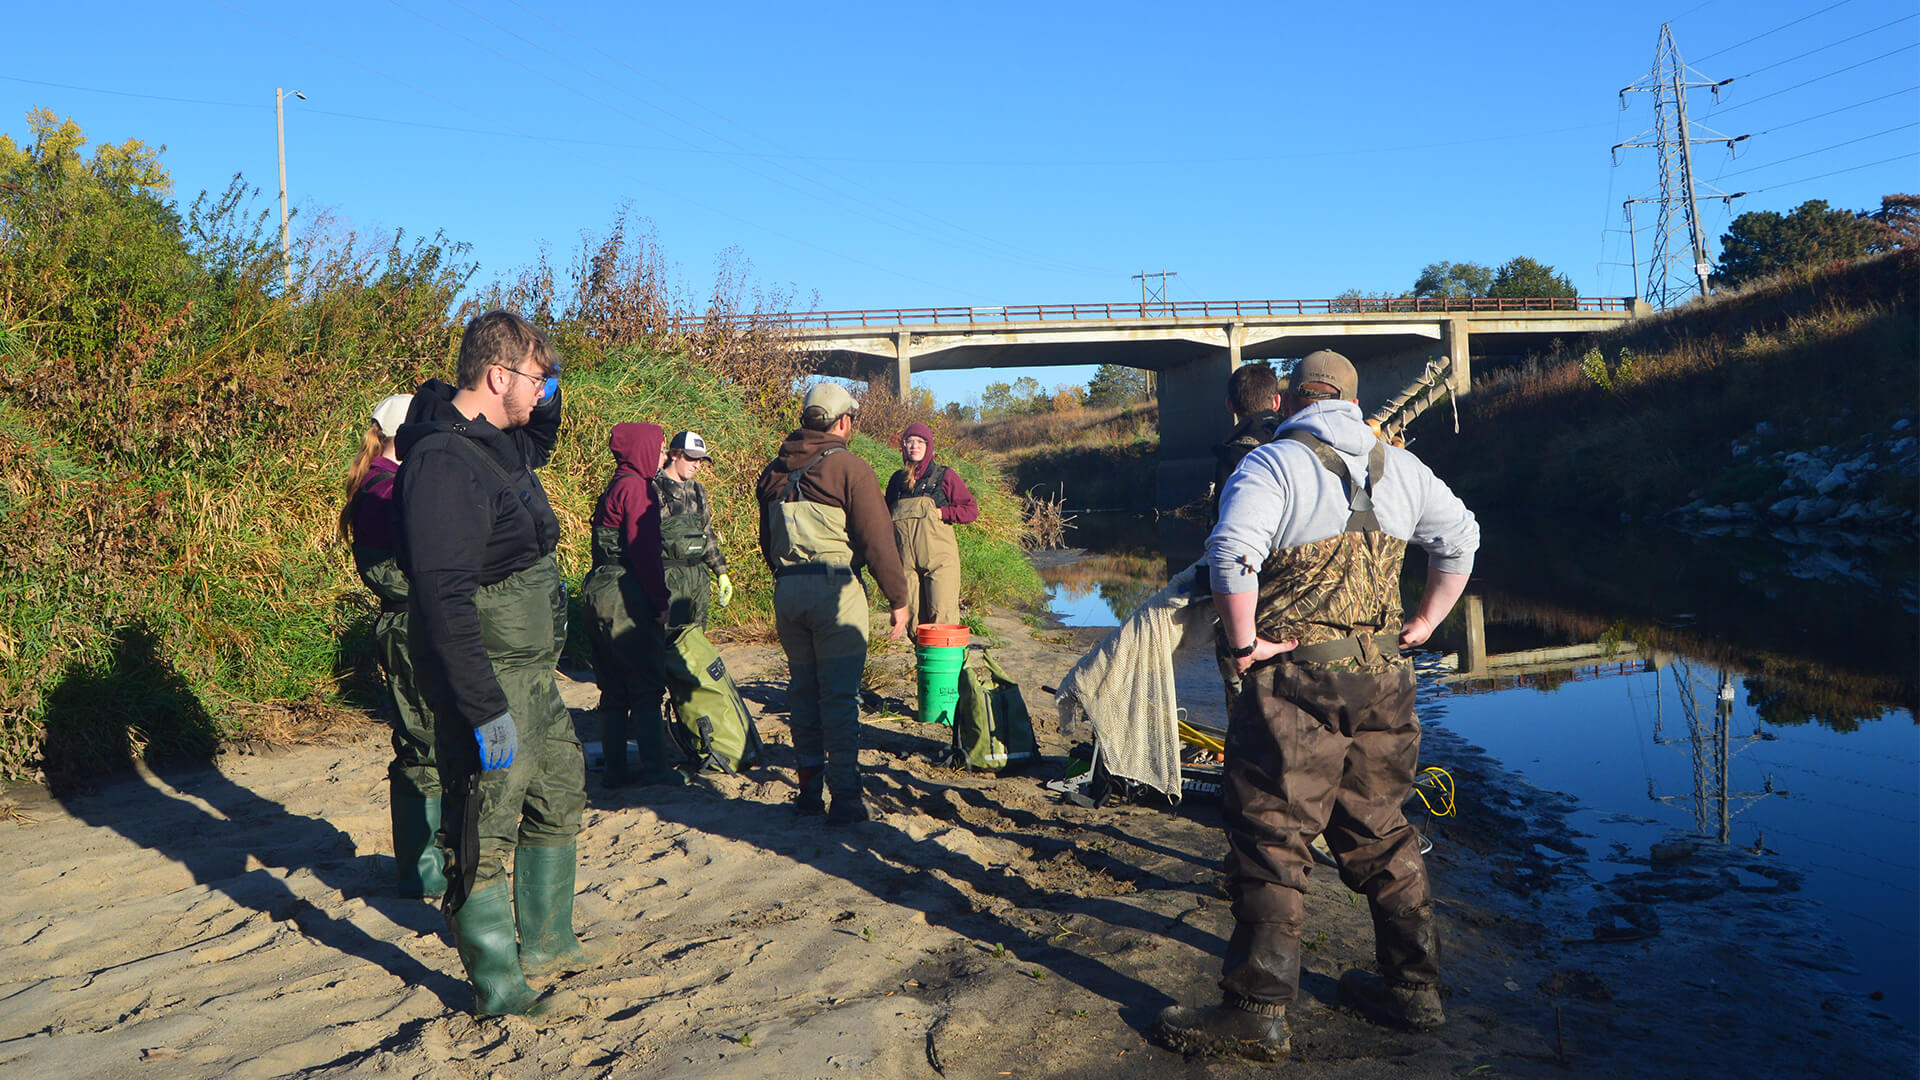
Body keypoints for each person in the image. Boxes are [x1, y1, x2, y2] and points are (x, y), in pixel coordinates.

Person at [1154, 350, 1479, 1061]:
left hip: (1297, 686)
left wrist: (1242, 645)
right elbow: (1462, 538)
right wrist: (1423, 625)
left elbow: (1233, 551)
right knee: (1381, 825)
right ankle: (1413, 990)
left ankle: (1257, 1012)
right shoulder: (1401, 467)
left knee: (1273, 834)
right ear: (1351, 401)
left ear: (1295, 398)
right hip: (1386, 680)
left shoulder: (1272, 465)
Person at [394, 310, 587, 1018]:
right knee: (484, 825)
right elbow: (443, 600)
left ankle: (548, 941)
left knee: (558, 790)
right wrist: (482, 709)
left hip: (534, 673)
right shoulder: (445, 463)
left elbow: (541, 430)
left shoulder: (499, 441)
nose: (544, 393)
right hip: (492, 674)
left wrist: (549, 377)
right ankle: (498, 983)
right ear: (496, 375)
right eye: (536, 378)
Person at [755, 383, 911, 824]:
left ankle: (808, 795)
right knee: (840, 700)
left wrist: (790, 578)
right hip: (835, 593)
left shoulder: (773, 472)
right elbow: (877, 541)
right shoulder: (850, 468)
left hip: (788, 592)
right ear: (843, 421)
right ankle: (845, 798)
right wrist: (898, 598)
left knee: (802, 694)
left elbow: (768, 543)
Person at [338, 392, 445, 901]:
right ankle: (424, 869)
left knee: (425, 740)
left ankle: (430, 863)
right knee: (424, 744)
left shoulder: (379, 481)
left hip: (408, 623)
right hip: (410, 627)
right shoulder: (388, 489)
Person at [581, 421, 687, 789]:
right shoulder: (638, 489)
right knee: (645, 685)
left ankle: (614, 771)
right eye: (658, 448)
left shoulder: (615, 485)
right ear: (642, 449)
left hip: (599, 590)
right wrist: (660, 602)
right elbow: (644, 555)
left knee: (612, 687)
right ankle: (656, 770)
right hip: (627, 594)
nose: (662, 456)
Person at [884, 421, 978, 630]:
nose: (914, 446)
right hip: (906, 567)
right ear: (903, 446)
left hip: (940, 564)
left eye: (920, 442)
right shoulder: (896, 481)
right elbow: (884, 516)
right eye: (909, 441)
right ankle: (925, 662)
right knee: (914, 624)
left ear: (929, 446)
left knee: (942, 620)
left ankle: (948, 663)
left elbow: (971, 510)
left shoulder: (945, 476)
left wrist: (942, 513)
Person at [656, 430, 733, 631]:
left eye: (701, 460)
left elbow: (706, 533)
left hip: (698, 579)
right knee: (666, 642)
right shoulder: (654, 488)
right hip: (667, 579)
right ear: (674, 454)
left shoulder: (698, 490)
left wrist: (721, 572)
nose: (697, 464)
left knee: (696, 638)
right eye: (691, 458)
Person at [1207, 362, 1283, 525]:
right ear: (1277, 401)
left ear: (1229, 405)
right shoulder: (1296, 441)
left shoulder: (1231, 455)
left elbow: (1224, 521)